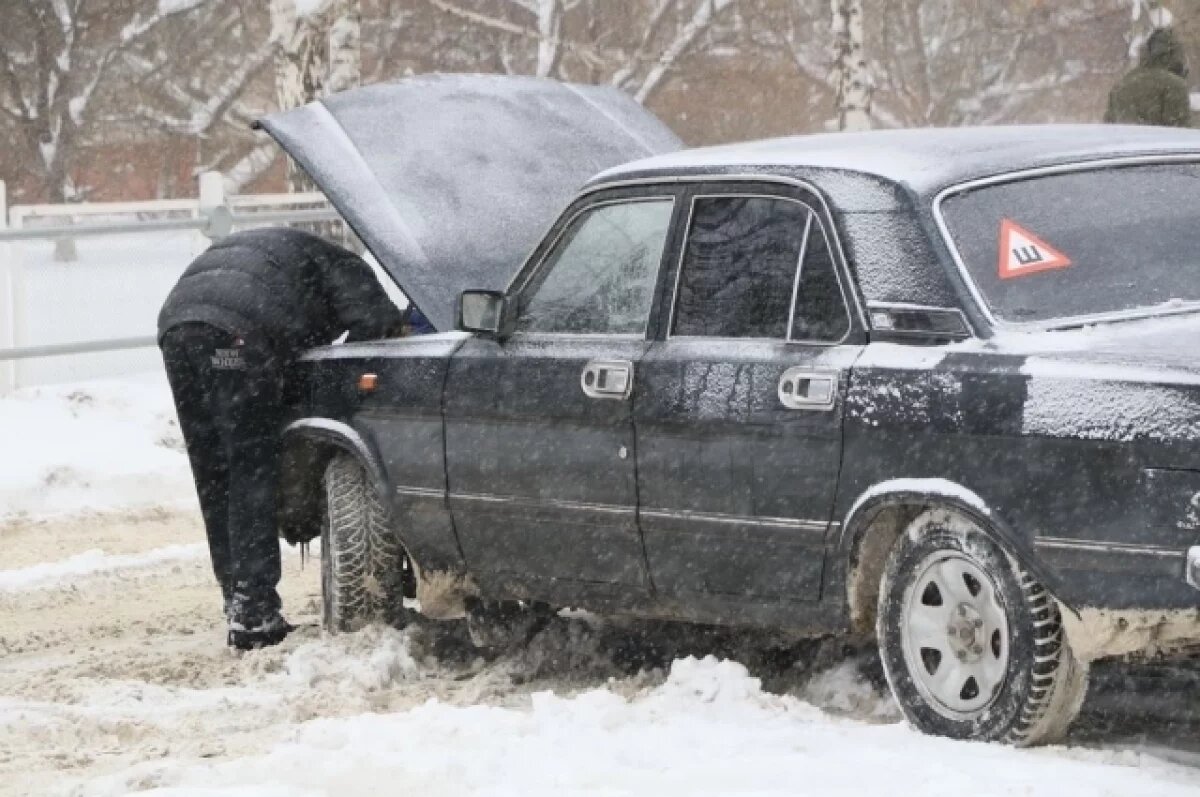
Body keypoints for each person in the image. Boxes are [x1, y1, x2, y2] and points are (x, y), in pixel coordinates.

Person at [158, 227, 412, 650]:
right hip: (238, 330)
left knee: (212, 468)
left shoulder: (286, 252)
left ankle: (236, 595)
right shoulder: (349, 268)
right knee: (250, 466)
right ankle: (254, 609)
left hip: (178, 325)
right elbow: (376, 327)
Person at [1105, 27, 1192, 127]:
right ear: (1173, 54)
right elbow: (1180, 133)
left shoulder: (1121, 85)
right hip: (1159, 142)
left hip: (1128, 142)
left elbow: (1109, 128)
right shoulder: (1174, 86)